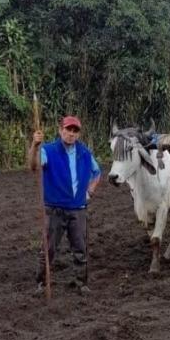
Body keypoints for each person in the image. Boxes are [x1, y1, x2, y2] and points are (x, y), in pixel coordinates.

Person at [29, 116, 101, 294]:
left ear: (78, 134)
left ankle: (81, 283)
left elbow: (97, 172)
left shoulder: (84, 153)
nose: (71, 134)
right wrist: (34, 145)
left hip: (78, 209)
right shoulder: (48, 150)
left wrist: (89, 191)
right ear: (60, 130)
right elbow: (33, 166)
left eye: (75, 131)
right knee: (49, 248)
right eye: (68, 130)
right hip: (55, 209)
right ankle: (42, 284)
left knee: (80, 248)